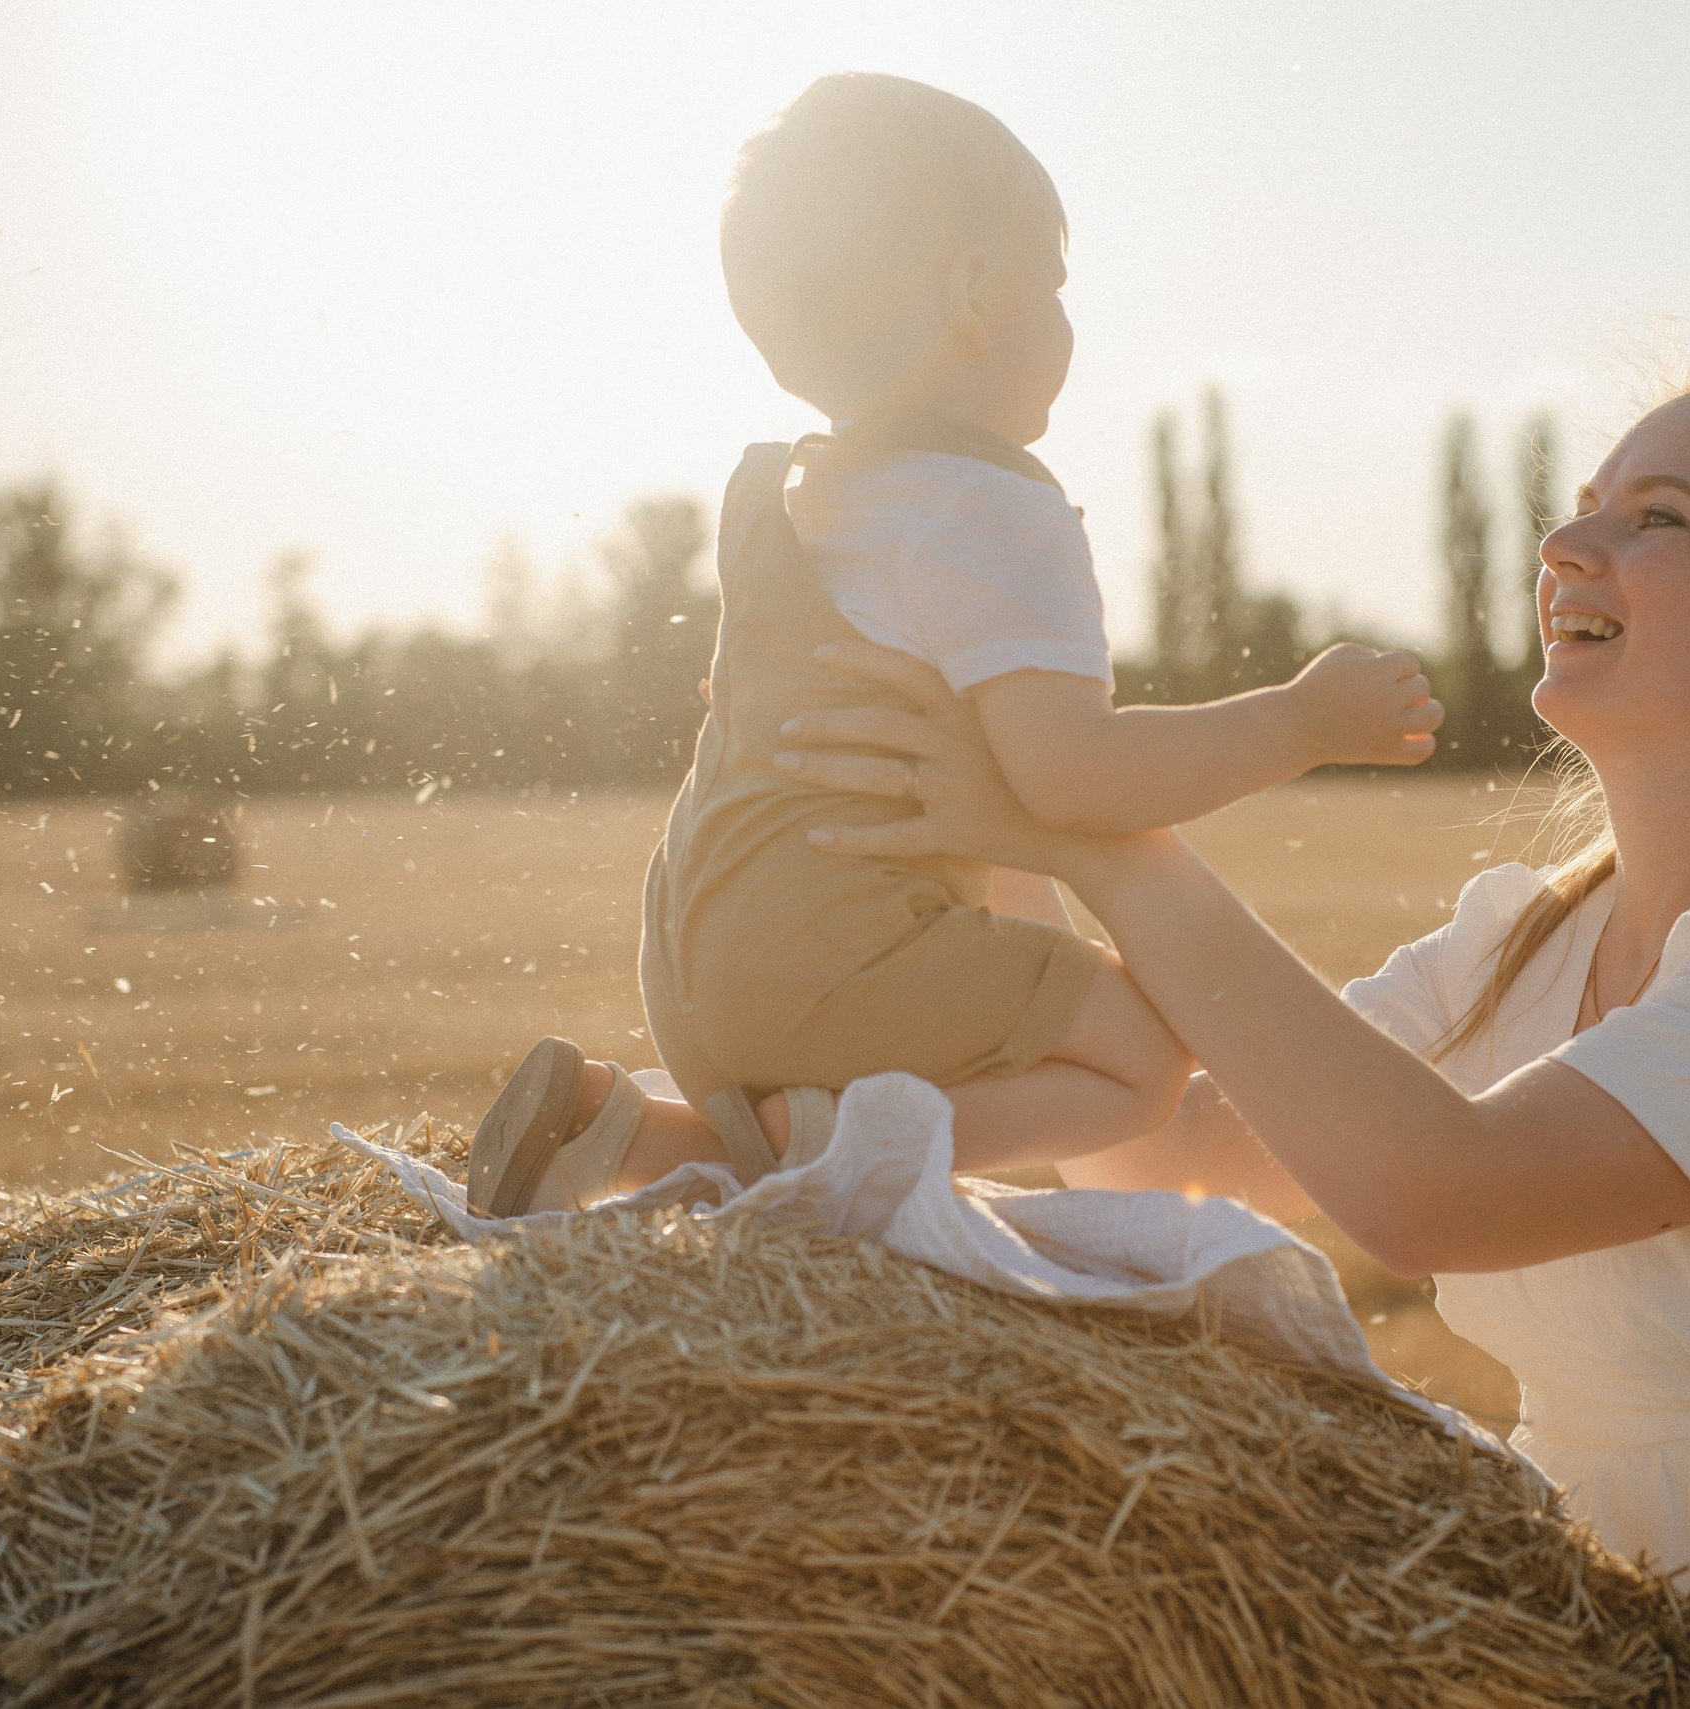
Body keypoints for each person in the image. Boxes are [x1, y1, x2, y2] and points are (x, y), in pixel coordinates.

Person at [768, 354, 1690, 1704]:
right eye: (1587, 502)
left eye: (1655, 518)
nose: (1569, 540)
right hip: (1600, 1627)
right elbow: (1167, 1153)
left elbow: (1442, 1190)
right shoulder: (1515, 946)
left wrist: (1121, 849)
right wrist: (998, 800)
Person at [465, 73, 1434, 1218]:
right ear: (976, 292)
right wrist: (1301, 719)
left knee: (1004, 1013)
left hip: (689, 957)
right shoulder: (992, 510)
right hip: (829, 958)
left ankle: (629, 1127)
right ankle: (773, 1166)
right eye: (1058, 289)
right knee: (1139, 1063)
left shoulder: (800, 499)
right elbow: (1072, 776)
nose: (1070, 327)